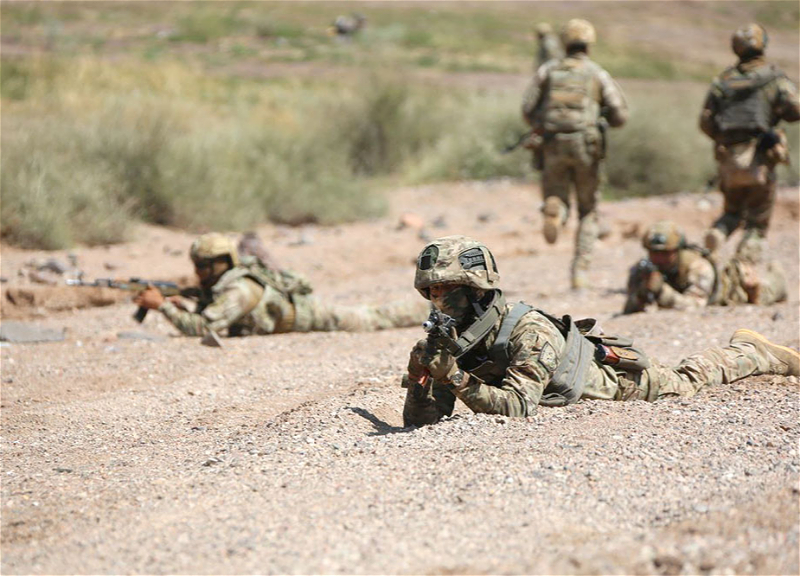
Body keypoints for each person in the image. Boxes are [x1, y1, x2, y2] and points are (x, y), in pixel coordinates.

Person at [400, 235, 799, 426]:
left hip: (623, 386)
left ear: (477, 291)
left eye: (448, 289)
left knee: (689, 378)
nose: (439, 299)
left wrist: (452, 375)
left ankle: (754, 352)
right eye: (432, 291)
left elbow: (519, 407)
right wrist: (423, 379)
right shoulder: (453, 338)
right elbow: (425, 421)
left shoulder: (527, 330)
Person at [134, 233, 428, 338]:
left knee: (371, 318)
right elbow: (208, 316)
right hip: (294, 316)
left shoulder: (240, 289)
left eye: (202, 265)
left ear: (219, 263)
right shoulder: (228, 284)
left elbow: (205, 328)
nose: (197, 271)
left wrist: (161, 307)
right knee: (371, 314)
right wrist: (176, 307)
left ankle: (429, 311)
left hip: (307, 315)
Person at [521, 19, 629, 289]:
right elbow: (620, 114)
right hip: (587, 147)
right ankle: (579, 273)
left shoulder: (548, 70)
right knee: (589, 210)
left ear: (564, 42)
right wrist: (602, 116)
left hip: (553, 144)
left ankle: (555, 211)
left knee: (555, 193)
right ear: (589, 44)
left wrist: (541, 124)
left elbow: (527, 107)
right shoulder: (596, 73)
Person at [699, 23, 799, 264]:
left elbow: (705, 121)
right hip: (760, 161)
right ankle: (744, 267)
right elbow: (795, 110)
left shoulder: (722, 81)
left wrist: (725, 141)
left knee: (732, 211)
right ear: (762, 45)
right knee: (757, 221)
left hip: (729, 159)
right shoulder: (774, 78)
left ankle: (719, 233)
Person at [623, 221, 787, 314]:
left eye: (666, 253)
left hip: (731, 290)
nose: (659, 258)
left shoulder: (698, 267)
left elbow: (695, 306)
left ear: (678, 249)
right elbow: (629, 309)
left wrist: (661, 291)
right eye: (653, 252)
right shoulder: (643, 270)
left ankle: (777, 275)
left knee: (766, 291)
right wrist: (643, 290)